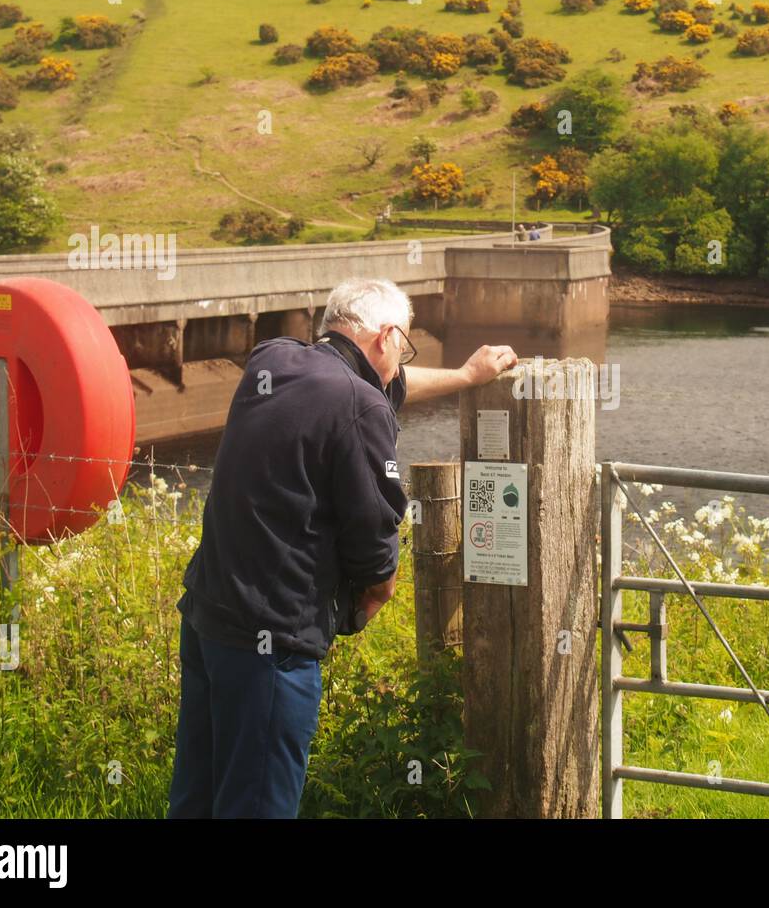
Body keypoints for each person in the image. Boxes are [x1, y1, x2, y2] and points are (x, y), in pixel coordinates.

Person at [168, 278, 517, 818]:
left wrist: (467, 376)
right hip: (274, 641)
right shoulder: (359, 406)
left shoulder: (272, 361)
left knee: (196, 798)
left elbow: (381, 385)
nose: (402, 361)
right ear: (387, 336)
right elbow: (377, 532)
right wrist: (374, 597)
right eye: (403, 346)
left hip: (209, 616)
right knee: (258, 804)